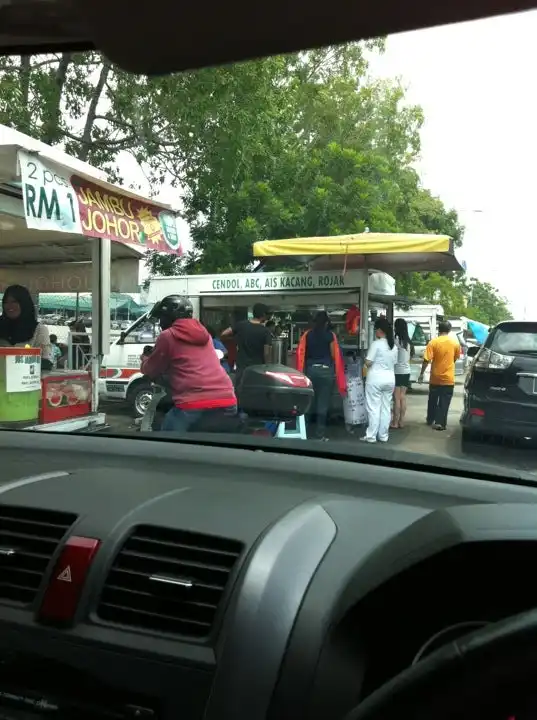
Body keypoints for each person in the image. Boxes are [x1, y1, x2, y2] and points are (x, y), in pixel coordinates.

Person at [141, 295, 237, 433]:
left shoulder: (168, 335)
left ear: (168, 317)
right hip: (227, 400)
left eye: (162, 317)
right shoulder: (205, 334)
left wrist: (145, 359)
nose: (161, 321)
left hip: (193, 402)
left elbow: (151, 369)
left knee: (166, 439)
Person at [296, 311, 346, 441]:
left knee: (309, 402)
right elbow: (334, 355)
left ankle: (304, 432)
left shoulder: (307, 335)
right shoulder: (330, 335)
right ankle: (320, 435)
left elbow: (302, 353)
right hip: (325, 372)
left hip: (310, 371)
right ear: (326, 322)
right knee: (322, 404)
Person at [419, 320, 461, 431]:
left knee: (432, 399)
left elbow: (426, 360)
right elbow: (455, 358)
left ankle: (430, 419)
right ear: (449, 330)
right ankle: (440, 423)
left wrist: (421, 374)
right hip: (448, 378)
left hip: (435, 377)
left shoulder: (433, 342)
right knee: (444, 401)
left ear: (439, 329)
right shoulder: (455, 343)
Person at [361, 317, 398, 444]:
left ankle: (371, 436)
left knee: (373, 408)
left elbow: (369, 362)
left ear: (380, 330)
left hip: (375, 379)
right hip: (390, 379)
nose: (375, 332)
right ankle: (383, 435)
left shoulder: (376, 344)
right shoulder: (394, 346)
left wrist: (364, 360)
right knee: (386, 408)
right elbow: (394, 362)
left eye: (376, 329)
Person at [0, 284, 53, 370]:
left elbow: (46, 361)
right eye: (6, 302)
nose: (9, 306)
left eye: (14, 301)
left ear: (24, 303)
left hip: (27, 380)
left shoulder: (39, 330)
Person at [221, 303, 272, 387]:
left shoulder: (240, 325)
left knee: (239, 392)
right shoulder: (265, 331)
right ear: (263, 315)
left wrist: (234, 340)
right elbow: (267, 353)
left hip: (241, 369)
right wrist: (267, 367)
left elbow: (224, 334)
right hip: (257, 370)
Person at [391, 317, 413, 429]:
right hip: (406, 371)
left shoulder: (396, 340)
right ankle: (401, 421)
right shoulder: (408, 342)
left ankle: (394, 422)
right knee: (403, 397)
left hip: (397, 371)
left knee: (396, 397)